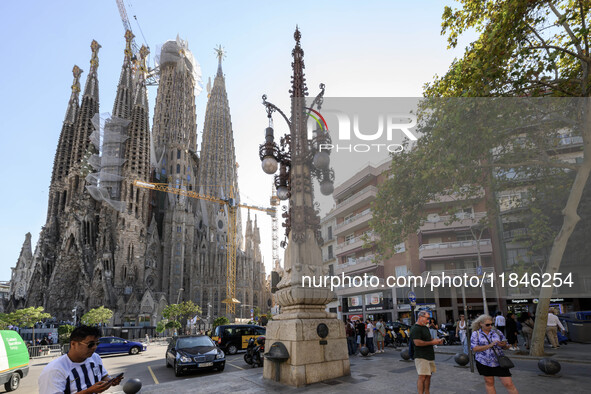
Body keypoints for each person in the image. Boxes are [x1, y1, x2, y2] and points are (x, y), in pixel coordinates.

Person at [38, 325, 124, 394]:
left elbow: (103, 376)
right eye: (90, 344)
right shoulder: (55, 370)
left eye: (97, 343)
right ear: (73, 344)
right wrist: (88, 391)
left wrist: (110, 381)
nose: (94, 347)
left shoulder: (95, 358)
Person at [471, 314, 518, 394]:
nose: (490, 326)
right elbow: (474, 348)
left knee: (508, 383)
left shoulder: (497, 332)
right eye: (487, 324)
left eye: (491, 324)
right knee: (489, 383)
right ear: (480, 324)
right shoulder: (476, 334)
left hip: (499, 361)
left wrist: (504, 345)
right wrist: (490, 345)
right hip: (483, 361)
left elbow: (505, 345)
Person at [410, 311, 443, 394]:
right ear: (420, 317)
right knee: (422, 377)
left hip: (429, 355)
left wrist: (436, 340)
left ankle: (427, 392)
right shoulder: (415, 328)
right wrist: (433, 343)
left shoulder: (425, 327)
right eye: (427, 318)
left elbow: (429, 339)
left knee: (428, 376)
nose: (428, 321)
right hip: (421, 356)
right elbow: (417, 343)